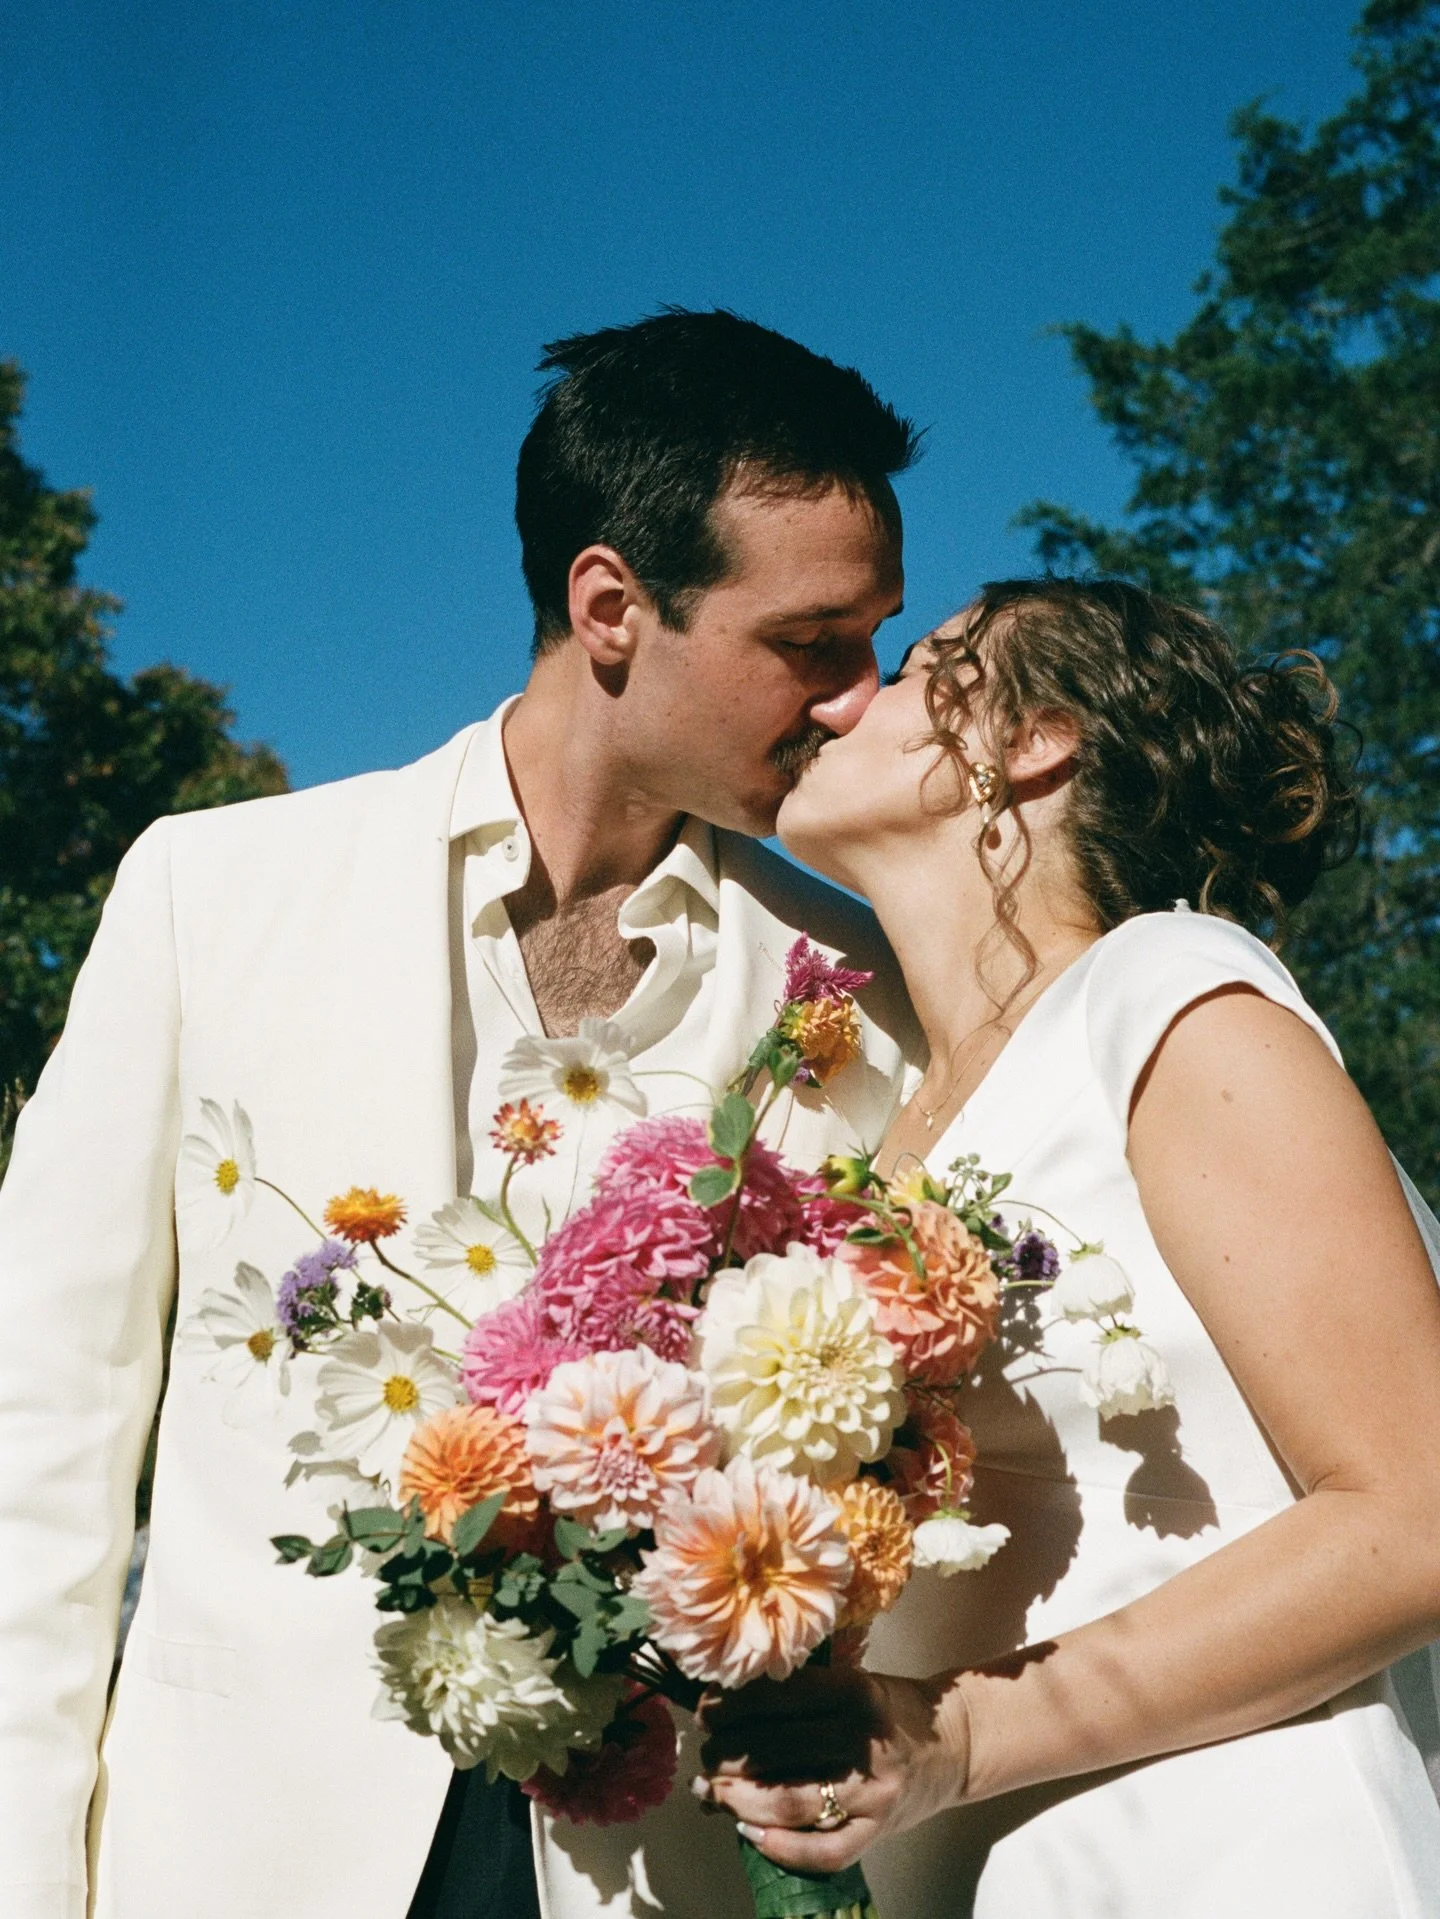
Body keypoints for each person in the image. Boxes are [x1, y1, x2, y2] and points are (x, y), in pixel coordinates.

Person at [0, 309, 924, 1919]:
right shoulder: (207, 894)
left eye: (877, 642)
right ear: (611, 608)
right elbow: (39, 1450)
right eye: (812, 642)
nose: (862, 700)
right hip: (236, 1862)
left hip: (662, 1872)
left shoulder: (862, 995)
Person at [695, 576, 1440, 1916]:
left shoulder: (1164, 989)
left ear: (1033, 739)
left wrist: (961, 1736)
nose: (847, 694)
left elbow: (1419, 1515)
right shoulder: (874, 1123)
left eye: (919, 667)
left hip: (1233, 1849)